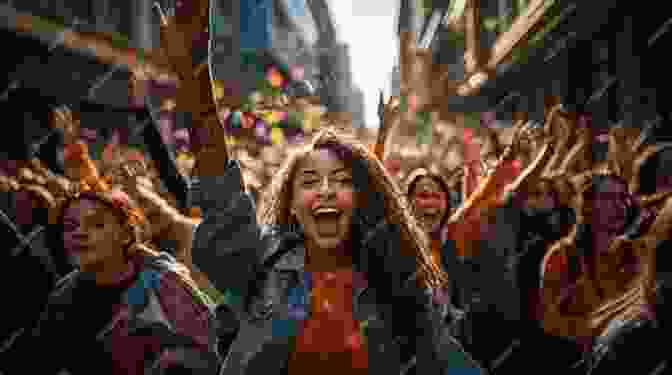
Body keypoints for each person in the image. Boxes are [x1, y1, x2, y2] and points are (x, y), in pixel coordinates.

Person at [189, 125, 485, 375]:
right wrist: (197, 81)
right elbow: (219, 196)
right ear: (291, 204)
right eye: (309, 182)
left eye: (343, 181)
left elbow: (449, 362)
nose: (326, 190)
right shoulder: (262, 262)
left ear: (360, 200)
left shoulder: (394, 281)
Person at [0, 142, 221, 375]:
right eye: (70, 226)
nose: (79, 233)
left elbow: (210, 356)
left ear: (126, 233)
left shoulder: (166, 286)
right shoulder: (63, 298)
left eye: (96, 224)